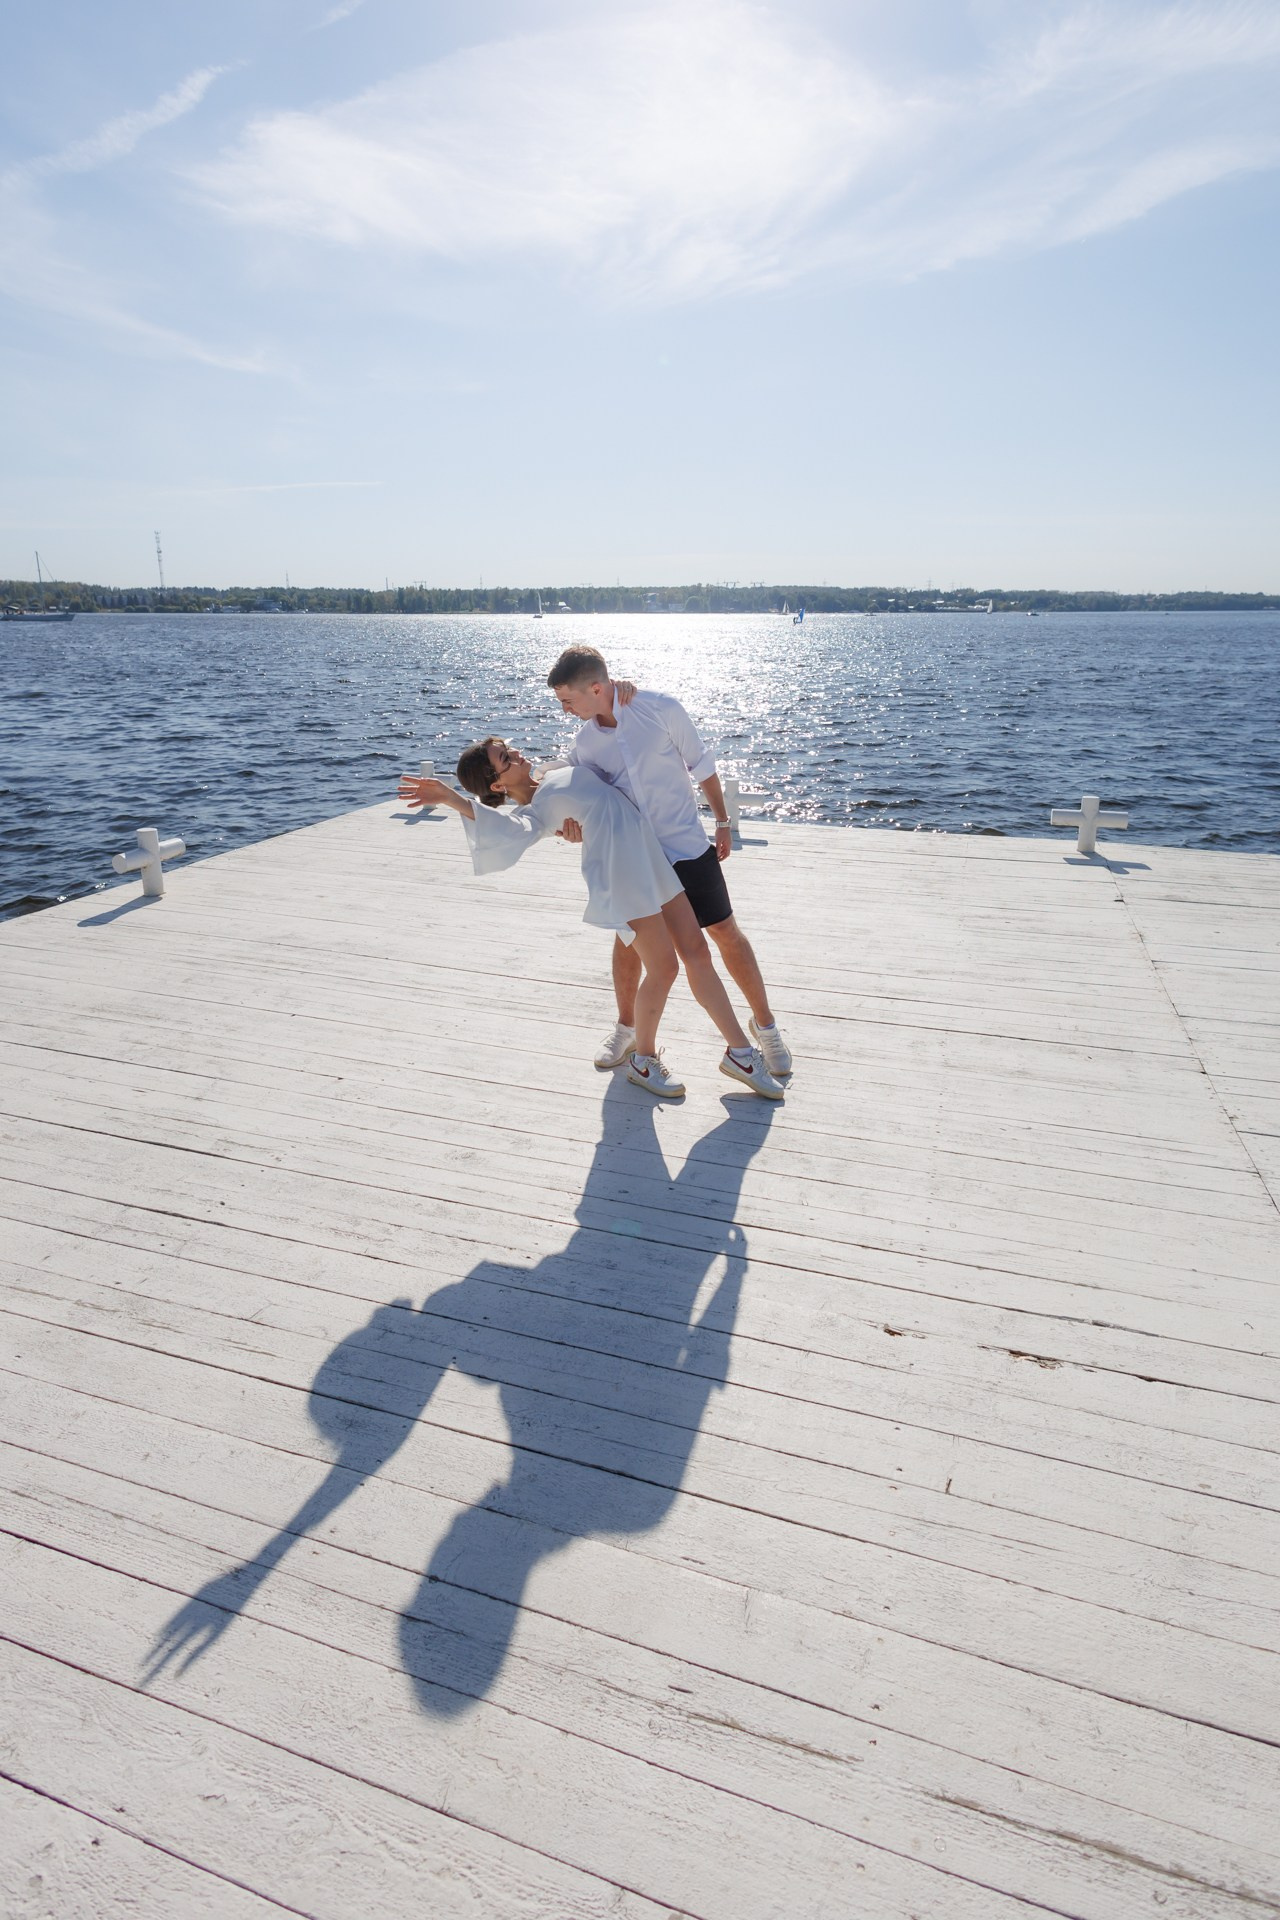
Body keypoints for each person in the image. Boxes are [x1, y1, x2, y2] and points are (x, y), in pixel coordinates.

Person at [398, 740, 784, 1099]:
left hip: (651, 858)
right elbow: (506, 830)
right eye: (505, 759)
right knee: (664, 969)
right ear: (496, 785)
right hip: (622, 874)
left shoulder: (552, 771)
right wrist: (451, 798)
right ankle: (645, 1059)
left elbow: (604, 752)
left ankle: (738, 1053)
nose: (516, 754)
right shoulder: (534, 812)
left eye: (509, 749)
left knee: (697, 952)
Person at [546, 646, 793, 1083]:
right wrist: (571, 827)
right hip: (635, 858)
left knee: (724, 933)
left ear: (597, 687)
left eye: (569, 700)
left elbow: (702, 765)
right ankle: (627, 1030)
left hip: (685, 847)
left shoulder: (659, 708)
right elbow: (585, 798)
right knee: (629, 946)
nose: (566, 710)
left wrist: (721, 821)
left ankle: (766, 1027)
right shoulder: (585, 742)